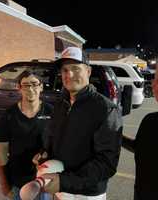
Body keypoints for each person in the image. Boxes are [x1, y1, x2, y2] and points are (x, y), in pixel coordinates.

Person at [33, 47, 123, 200]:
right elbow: (52, 137)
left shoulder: (105, 109)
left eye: (75, 68)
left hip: (87, 194)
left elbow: (106, 163)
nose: (69, 75)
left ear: (88, 71)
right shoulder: (61, 104)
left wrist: (65, 182)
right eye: (65, 70)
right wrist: (44, 153)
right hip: (60, 186)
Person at [0, 70, 53, 200]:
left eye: (34, 84)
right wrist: (4, 184)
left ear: (41, 87)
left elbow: (58, 143)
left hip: (43, 180)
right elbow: (1, 152)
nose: (30, 89)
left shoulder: (52, 112)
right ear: (19, 88)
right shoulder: (9, 115)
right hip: (18, 181)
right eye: (26, 85)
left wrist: (46, 154)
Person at [122, 64, 158, 200]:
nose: (153, 83)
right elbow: (140, 148)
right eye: (154, 78)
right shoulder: (150, 121)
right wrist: (115, 134)